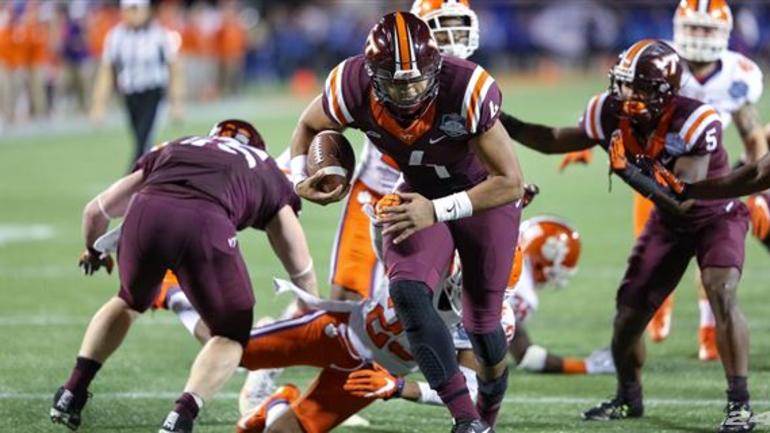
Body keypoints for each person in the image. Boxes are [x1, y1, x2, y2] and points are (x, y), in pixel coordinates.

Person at [289, 11, 525, 433]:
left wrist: (434, 211)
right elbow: (310, 125)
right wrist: (299, 175)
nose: (410, 90)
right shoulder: (350, 84)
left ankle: (488, 407)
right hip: (418, 191)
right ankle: (466, 420)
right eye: (396, 83)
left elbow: (509, 182)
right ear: (373, 74)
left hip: (480, 197)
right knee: (408, 292)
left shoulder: (466, 86)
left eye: (417, 80)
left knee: (482, 325)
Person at [501, 40, 754, 432]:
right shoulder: (607, 111)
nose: (629, 95)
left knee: (721, 291)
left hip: (714, 216)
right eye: (624, 85)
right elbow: (553, 139)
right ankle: (628, 397)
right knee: (627, 320)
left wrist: (629, 173)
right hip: (668, 225)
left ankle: (738, 404)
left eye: (641, 88)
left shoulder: (695, 119)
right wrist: (498, 120)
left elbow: (683, 197)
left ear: (668, 91)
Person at [50, 120, 314, 433]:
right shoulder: (262, 164)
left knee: (129, 301)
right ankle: (181, 416)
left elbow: (96, 211)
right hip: (204, 224)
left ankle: (71, 392)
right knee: (231, 334)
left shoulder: (177, 145)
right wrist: (309, 296)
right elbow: (292, 245)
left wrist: (93, 251)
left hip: (144, 214)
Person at [560, 0, 766, 360]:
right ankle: (657, 318)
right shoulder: (660, 65)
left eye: (707, 29)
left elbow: (751, 134)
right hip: (657, 167)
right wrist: (590, 139)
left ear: (724, 33)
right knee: (653, 247)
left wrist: (760, 191)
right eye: (693, 28)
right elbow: (619, 107)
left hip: (708, 173)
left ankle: (708, 331)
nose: (699, 36)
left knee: (717, 261)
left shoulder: (739, 74)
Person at [90, 0, 184, 165]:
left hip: (154, 93)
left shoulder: (160, 34)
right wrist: (99, 104)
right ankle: (154, 178)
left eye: (137, 9)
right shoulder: (116, 36)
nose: (133, 14)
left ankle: (130, 183)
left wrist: (176, 101)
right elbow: (106, 71)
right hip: (130, 95)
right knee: (142, 141)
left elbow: (174, 69)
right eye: (129, 10)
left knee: (143, 141)